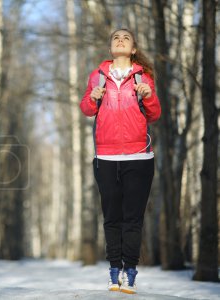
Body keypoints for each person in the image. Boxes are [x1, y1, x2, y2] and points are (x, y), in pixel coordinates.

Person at [80, 28, 161, 294]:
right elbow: (86, 108)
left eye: (126, 38)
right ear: (110, 46)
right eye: (116, 37)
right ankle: (114, 272)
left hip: (139, 156)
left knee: (133, 219)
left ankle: (131, 273)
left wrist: (148, 96)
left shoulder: (143, 77)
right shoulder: (97, 76)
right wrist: (92, 99)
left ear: (134, 49)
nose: (120, 40)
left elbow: (155, 113)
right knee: (112, 217)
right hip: (105, 156)